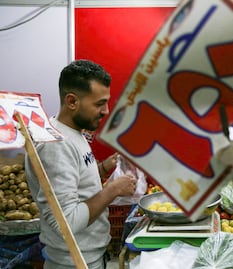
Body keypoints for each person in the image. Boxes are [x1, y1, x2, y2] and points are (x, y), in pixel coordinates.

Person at [25, 60, 137, 269]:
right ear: (72, 101)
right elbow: (66, 223)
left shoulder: (73, 133)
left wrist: (104, 167)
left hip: (90, 256)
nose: (105, 110)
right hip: (73, 262)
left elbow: (77, 179)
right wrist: (113, 190)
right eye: (99, 103)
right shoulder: (55, 145)